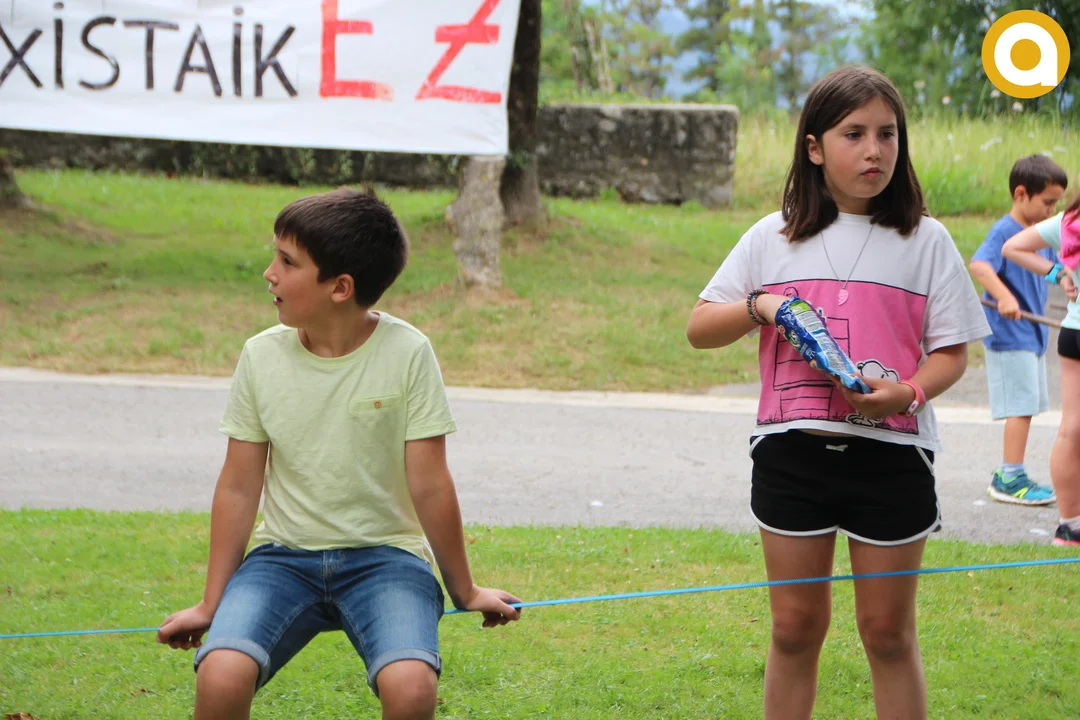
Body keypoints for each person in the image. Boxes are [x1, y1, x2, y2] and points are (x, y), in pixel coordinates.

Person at [686, 66, 988, 720]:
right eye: (854, 134)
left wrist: (907, 393)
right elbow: (699, 328)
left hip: (894, 459)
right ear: (815, 147)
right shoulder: (771, 236)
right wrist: (765, 305)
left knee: (888, 633)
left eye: (887, 134)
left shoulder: (927, 240)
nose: (875, 150)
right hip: (791, 456)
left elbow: (952, 353)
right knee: (794, 627)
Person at [156, 188, 521, 720]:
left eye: (287, 262)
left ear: (340, 287)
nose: (269, 274)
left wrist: (464, 590)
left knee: (411, 687)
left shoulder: (408, 352)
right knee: (220, 674)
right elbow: (238, 485)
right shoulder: (260, 356)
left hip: (387, 559)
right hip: (282, 559)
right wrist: (211, 603)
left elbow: (430, 484)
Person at [968, 154, 1067, 506]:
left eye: (1056, 203)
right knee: (1020, 407)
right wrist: (1005, 296)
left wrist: (1066, 279)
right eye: (1048, 202)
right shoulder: (1004, 231)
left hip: (1032, 334)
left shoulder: (1037, 236)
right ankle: (1010, 477)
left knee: (1028, 405)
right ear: (1021, 194)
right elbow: (980, 266)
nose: (1052, 210)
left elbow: (1056, 269)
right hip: (1010, 335)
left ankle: (1011, 472)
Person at [1004, 197, 1080, 546]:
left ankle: (1069, 526)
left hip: (1074, 333)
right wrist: (1059, 273)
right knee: (1072, 432)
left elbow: (1014, 246)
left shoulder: (1071, 219)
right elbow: (1011, 247)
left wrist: (1059, 274)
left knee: (1071, 431)